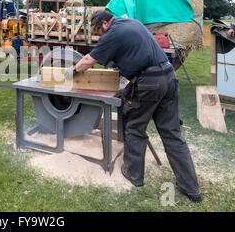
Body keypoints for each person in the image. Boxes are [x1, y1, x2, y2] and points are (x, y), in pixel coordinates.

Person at [64, 10, 202, 203]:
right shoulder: (132, 23)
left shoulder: (112, 33)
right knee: (172, 133)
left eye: (98, 31)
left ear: (104, 23)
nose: (99, 35)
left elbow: (89, 60)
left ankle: (134, 175)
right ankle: (191, 188)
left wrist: (72, 71)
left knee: (135, 128)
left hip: (149, 83)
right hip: (169, 77)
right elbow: (131, 52)